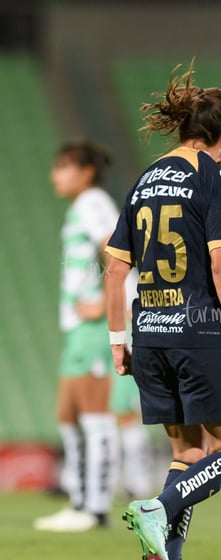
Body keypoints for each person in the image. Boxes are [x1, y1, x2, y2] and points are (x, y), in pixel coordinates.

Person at [104, 60, 221, 560]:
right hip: (198, 332)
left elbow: (116, 266)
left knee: (187, 453)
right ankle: (158, 507)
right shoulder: (217, 178)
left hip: (149, 334)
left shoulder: (144, 181)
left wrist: (117, 340)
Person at [33, 139, 120, 532]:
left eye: (64, 166)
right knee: (67, 415)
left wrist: (105, 301)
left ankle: (95, 508)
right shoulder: (81, 207)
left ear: (85, 171)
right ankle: (78, 501)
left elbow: (117, 251)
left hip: (94, 328)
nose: (56, 174)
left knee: (95, 416)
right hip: (77, 328)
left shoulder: (94, 203)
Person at [111, 268, 154, 499]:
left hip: (129, 347)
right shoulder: (115, 274)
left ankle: (138, 483)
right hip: (114, 350)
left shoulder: (129, 277)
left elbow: (132, 312)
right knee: (118, 415)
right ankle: (128, 481)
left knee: (126, 415)